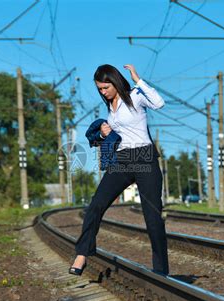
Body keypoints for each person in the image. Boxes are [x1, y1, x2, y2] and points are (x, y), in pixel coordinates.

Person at [68, 64, 169, 276]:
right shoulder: (110, 108)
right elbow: (114, 135)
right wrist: (104, 134)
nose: (102, 92)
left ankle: (161, 271)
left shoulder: (135, 97)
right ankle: (82, 254)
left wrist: (138, 80)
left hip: (144, 157)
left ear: (115, 82)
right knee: (96, 204)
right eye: (99, 89)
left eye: (105, 87)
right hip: (121, 160)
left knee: (152, 216)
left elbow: (159, 104)